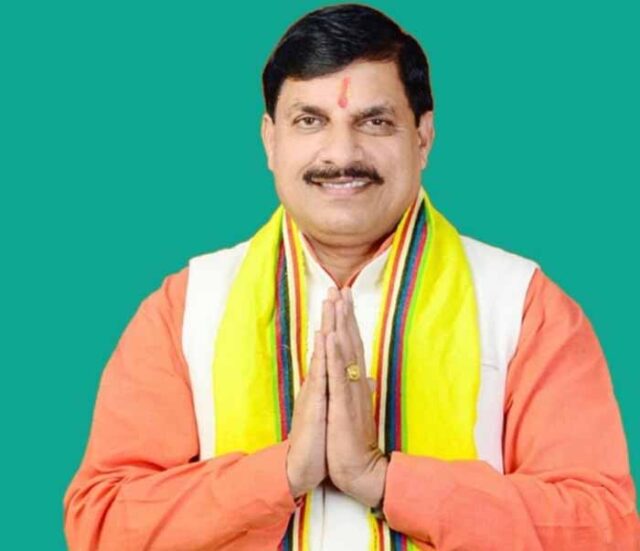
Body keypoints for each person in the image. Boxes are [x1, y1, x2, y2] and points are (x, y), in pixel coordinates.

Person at [63, 4, 639, 549]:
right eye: (310, 121)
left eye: (375, 121)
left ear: (423, 137)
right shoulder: (188, 306)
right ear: (270, 140)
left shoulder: (521, 304)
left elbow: (605, 529)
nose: (341, 153)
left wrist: (383, 480)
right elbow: (102, 524)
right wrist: (282, 473)